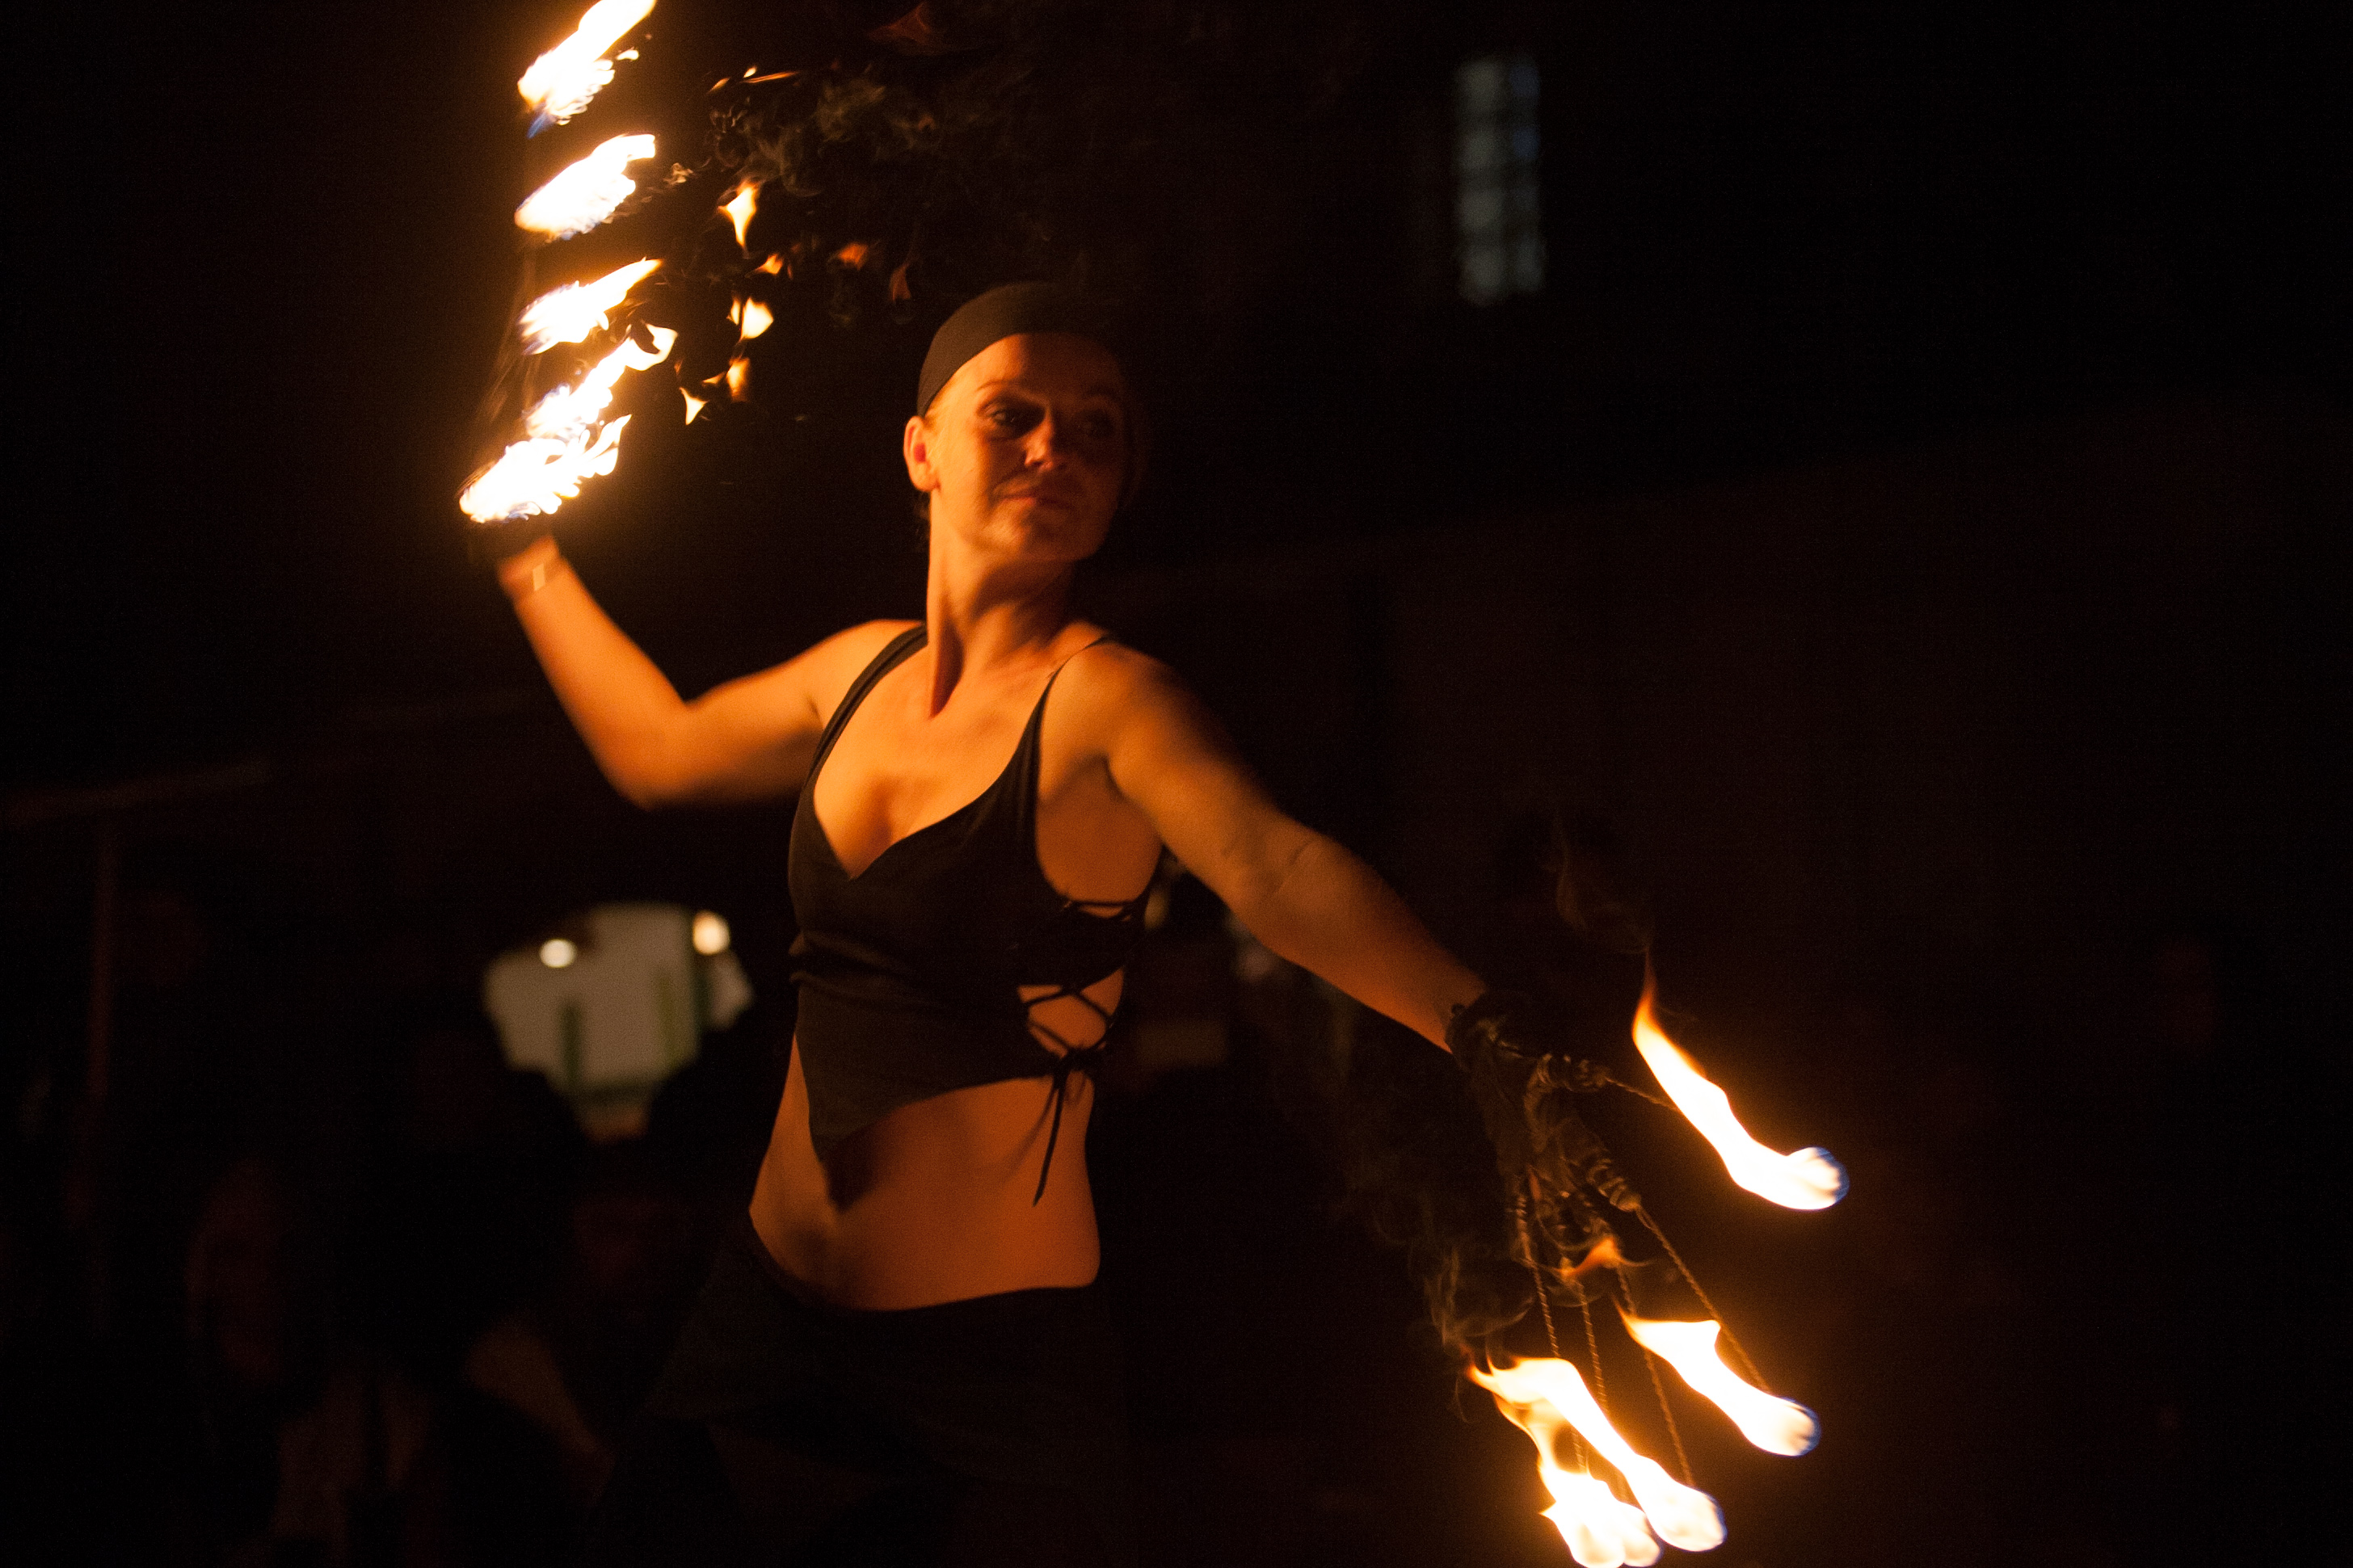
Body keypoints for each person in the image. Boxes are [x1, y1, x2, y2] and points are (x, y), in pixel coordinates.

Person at [491, 283, 1485, 1566]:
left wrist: (1490, 1032)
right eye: (1012, 415)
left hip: (985, 1371)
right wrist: (526, 557)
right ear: (922, 449)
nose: (1055, 447)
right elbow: (660, 751)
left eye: (1097, 430)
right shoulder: (855, 671)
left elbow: (1273, 862)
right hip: (763, 1326)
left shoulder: (1113, 703)